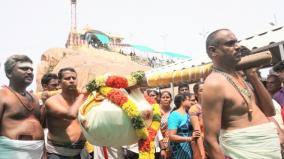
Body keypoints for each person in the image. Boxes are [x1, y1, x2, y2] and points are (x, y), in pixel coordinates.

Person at [202, 29, 281, 158]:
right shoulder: (214, 83)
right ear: (213, 51)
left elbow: (269, 111)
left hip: (269, 150)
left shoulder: (239, 78)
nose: (238, 46)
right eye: (230, 43)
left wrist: (252, 75)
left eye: (237, 42)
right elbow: (210, 140)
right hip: (243, 152)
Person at [0, 54, 44, 159]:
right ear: (9, 73)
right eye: (24, 68)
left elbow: (39, 124)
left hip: (37, 151)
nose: (29, 72)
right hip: (11, 152)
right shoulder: (2, 95)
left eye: (31, 69)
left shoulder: (35, 98)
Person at [45, 67, 89, 159]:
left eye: (74, 78)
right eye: (67, 78)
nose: (71, 80)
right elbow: (71, 114)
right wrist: (82, 95)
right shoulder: (52, 101)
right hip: (57, 153)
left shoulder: (84, 100)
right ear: (60, 83)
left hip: (80, 152)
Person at [168, 93, 200, 159]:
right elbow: (171, 136)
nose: (192, 102)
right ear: (182, 101)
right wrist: (190, 138)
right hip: (178, 150)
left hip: (190, 149)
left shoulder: (188, 114)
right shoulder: (174, 115)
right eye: (189, 100)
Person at [190, 82, 206, 159]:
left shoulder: (214, 106)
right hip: (202, 144)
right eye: (201, 90)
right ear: (196, 94)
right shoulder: (194, 109)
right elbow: (197, 133)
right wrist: (202, 155)